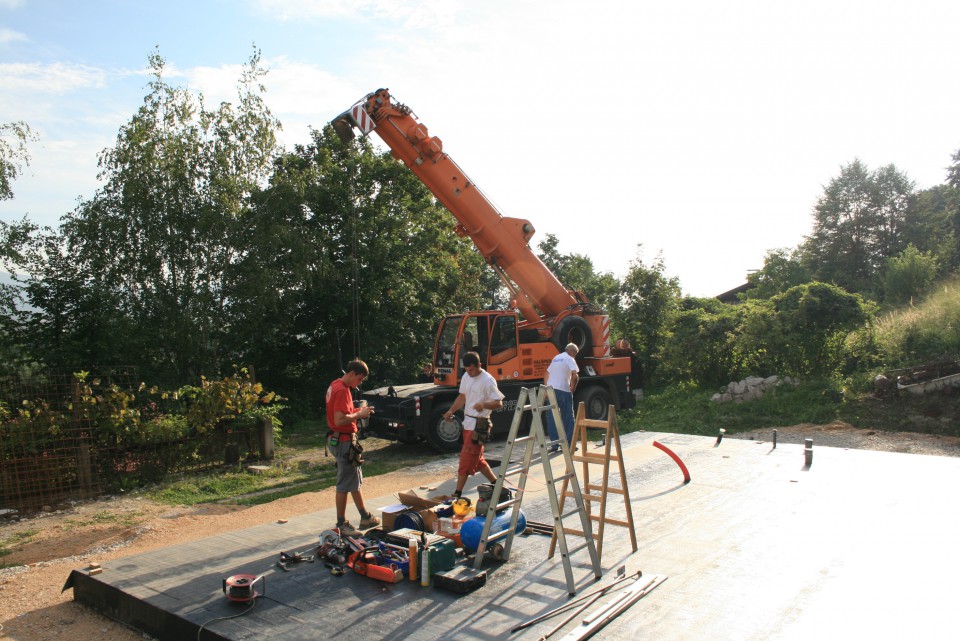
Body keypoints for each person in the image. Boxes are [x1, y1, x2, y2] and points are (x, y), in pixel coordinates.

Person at [326, 359, 380, 537]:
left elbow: (341, 412)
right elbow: (340, 419)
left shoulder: (336, 384)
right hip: (344, 441)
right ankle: (341, 523)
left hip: (341, 440)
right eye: (360, 379)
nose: (360, 383)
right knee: (344, 484)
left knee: (354, 479)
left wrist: (357, 410)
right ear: (351, 374)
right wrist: (359, 414)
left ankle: (365, 516)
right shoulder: (342, 390)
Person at [442, 351, 504, 499]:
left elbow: (498, 403)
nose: (469, 373)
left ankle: (457, 493)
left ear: (479, 365)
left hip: (480, 425)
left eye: (471, 370)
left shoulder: (488, 380)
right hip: (468, 423)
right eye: (467, 370)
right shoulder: (466, 376)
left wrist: (484, 404)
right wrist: (451, 410)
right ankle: (496, 484)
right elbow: (462, 396)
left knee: (466, 458)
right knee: (477, 459)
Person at [544, 343, 580, 452]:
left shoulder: (556, 358)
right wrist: (572, 387)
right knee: (568, 417)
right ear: (572, 351)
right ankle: (570, 445)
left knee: (552, 417)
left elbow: (546, 373)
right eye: (575, 354)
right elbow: (575, 375)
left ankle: (554, 445)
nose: (575, 356)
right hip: (563, 390)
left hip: (551, 390)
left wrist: (546, 388)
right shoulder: (570, 359)